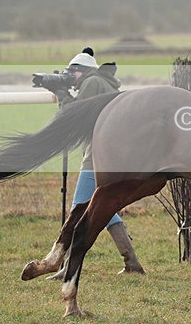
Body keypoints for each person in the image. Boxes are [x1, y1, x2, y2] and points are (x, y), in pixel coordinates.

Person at [54, 47, 145, 276]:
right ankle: (131, 262)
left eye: (71, 73)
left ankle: (62, 265)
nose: (70, 77)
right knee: (103, 205)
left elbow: (75, 115)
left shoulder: (92, 82)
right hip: (114, 151)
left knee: (79, 207)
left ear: (82, 71)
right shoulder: (102, 82)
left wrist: (62, 95)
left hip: (100, 154)